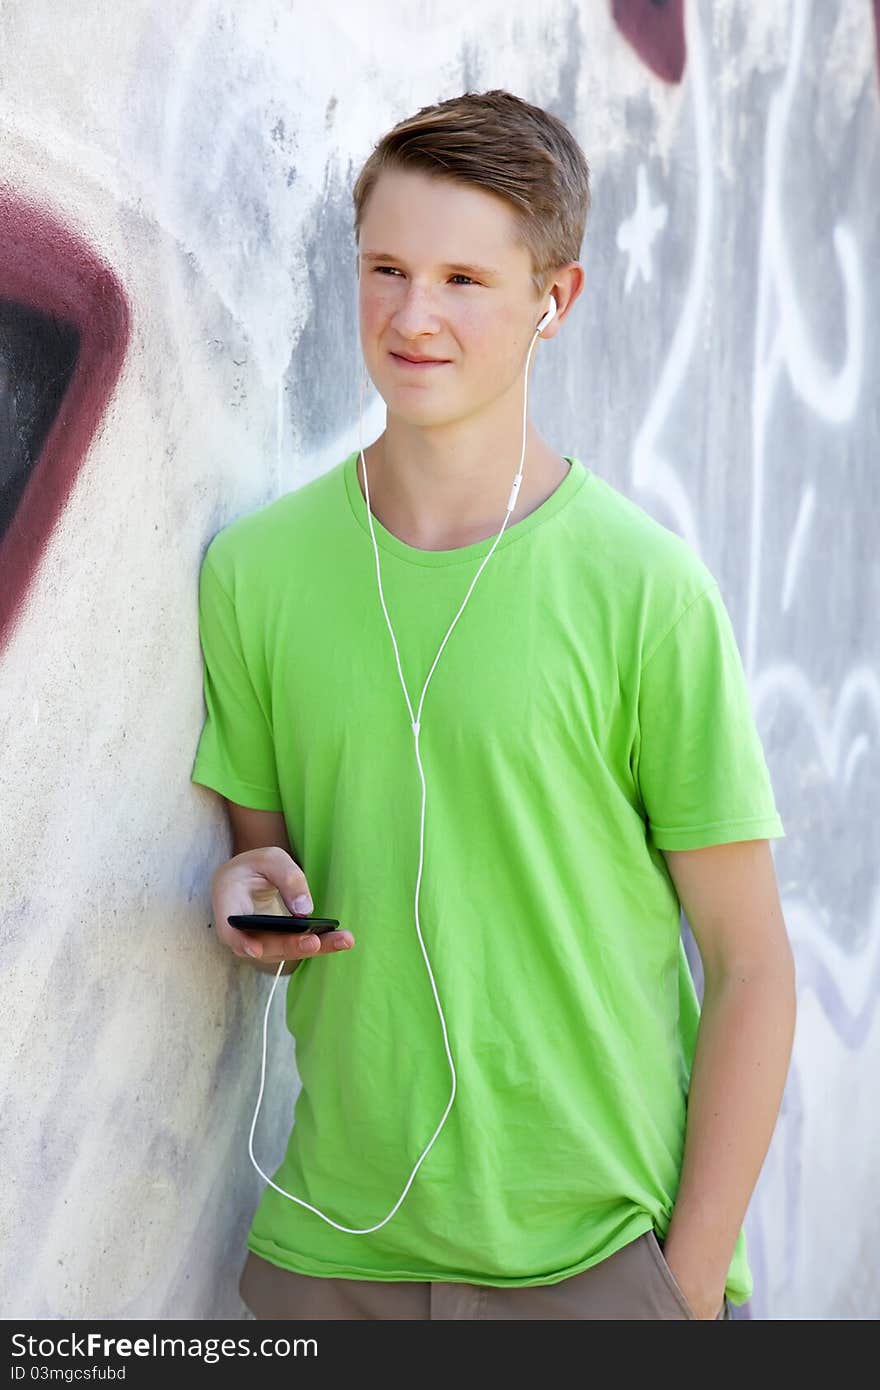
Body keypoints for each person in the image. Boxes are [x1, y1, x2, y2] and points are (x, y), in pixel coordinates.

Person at [191, 89, 796, 1321]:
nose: (413, 316)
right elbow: (270, 858)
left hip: (597, 1264)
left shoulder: (643, 589)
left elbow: (749, 965)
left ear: (552, 301)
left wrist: (680, 1289)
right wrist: (249, 892)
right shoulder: (254, 571)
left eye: (465, 278)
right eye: (387, 267)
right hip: (332, 1256)